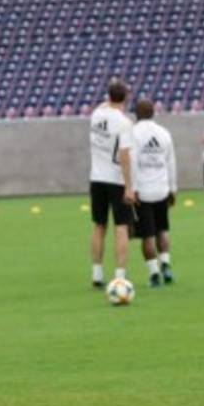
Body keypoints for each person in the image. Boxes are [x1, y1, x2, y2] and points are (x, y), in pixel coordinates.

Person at [87, 78, 135, 288]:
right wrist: (129, 185)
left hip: (96, 178)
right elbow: (125, 155)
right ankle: (120, 276)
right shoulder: (124, 122)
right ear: (125, 97)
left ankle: (97, 273)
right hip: (115, 180)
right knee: (121, 227)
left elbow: (104, 104)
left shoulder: (96, 114)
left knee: (99, 225)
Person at [131, 99, 177, 287]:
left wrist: (131, 189)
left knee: (147, 235)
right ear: (153, 113)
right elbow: (171, 163)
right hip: (162, 190)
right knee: (162, 230)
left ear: (136, 114)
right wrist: (173, 189)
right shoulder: (164, 133)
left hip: (143, 192)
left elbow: (131, 164)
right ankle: (166, 263)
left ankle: (154, 273)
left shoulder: (132, 134)